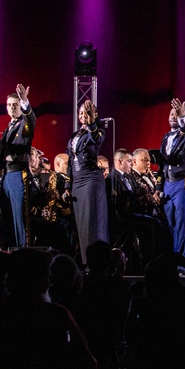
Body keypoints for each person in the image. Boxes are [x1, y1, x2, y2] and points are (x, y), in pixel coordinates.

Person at [159, 98, 185, 259]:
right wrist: (158, 188)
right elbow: (162, 163)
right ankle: (173, 260)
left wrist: (183, 118)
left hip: (183, 182)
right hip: (168, 184)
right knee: (170, 224)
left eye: (175, 114)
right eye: (171, 114)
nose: (172, 116)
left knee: (183, 224)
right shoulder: (165, 137)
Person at [66, 99, 108, 259]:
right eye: (81, 113)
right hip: (77, 181)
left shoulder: (98, 132)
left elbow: (96, 139)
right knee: (82, 224)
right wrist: (67, 185)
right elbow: (70, 160)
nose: (83, 115)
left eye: (88, 112)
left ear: (95, 114)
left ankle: (97, 260)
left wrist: (91, 123)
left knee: (92, 222)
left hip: (91, 179)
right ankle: (85, 260)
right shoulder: (75, 135)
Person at [0, 84, 36, 248]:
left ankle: (22, 251)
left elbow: (31, 120)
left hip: (18, 174)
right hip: (6, 175)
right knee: (8, 216)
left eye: (15, 105)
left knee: (20, 216)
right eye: (9, 105)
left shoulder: (24, 124)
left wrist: (25, 101)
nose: (12, 108)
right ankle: (11, 249)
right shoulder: (9, 126)